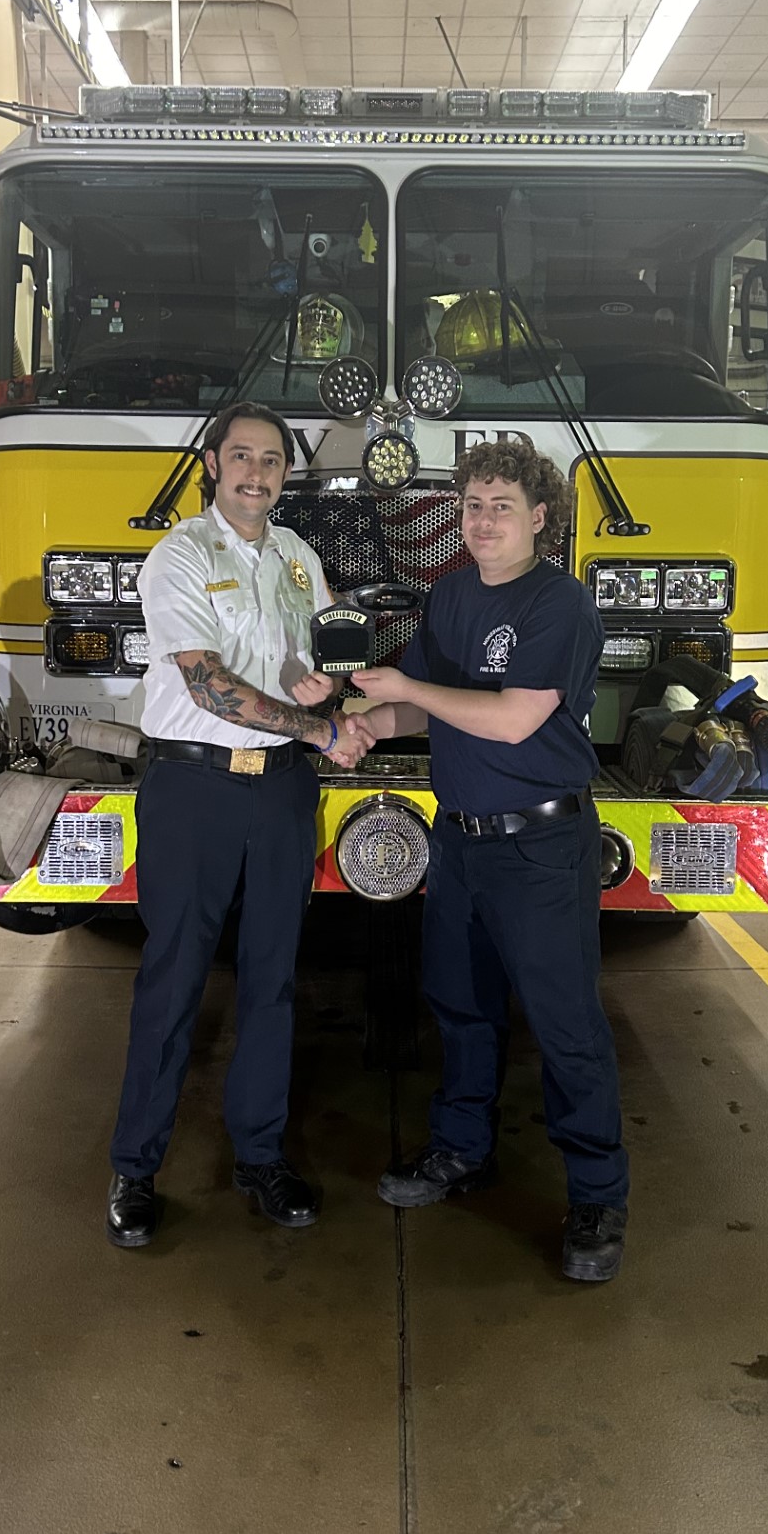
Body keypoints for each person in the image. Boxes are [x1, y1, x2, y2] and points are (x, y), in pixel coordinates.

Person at [351, 440, 629, 1282]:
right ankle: (462, 1151)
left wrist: (405, 689)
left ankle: (597, 1198)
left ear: (541, 518)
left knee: (564, 1023)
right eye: (472, 505)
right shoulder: (450, 595)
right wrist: (350, 723)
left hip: (539, 846)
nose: (482, 521)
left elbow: (512, 719)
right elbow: (422, 714)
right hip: (460, 841)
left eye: (501, 506)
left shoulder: (560, 604)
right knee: (461, 1006)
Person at [106, 401, 371, 1250]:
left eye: (272, 460)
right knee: (174, 975)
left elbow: (318, 657)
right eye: (243, 457)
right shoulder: (180, 555)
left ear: (286, 475)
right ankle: (135, 1169)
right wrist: (322, 730)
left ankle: (261, 1156)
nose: (258, 473)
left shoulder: (297, 555)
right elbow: (208, 685)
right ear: (213, 465)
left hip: (282, 791)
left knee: (272, 977)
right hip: (196, 788)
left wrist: (331, 689)